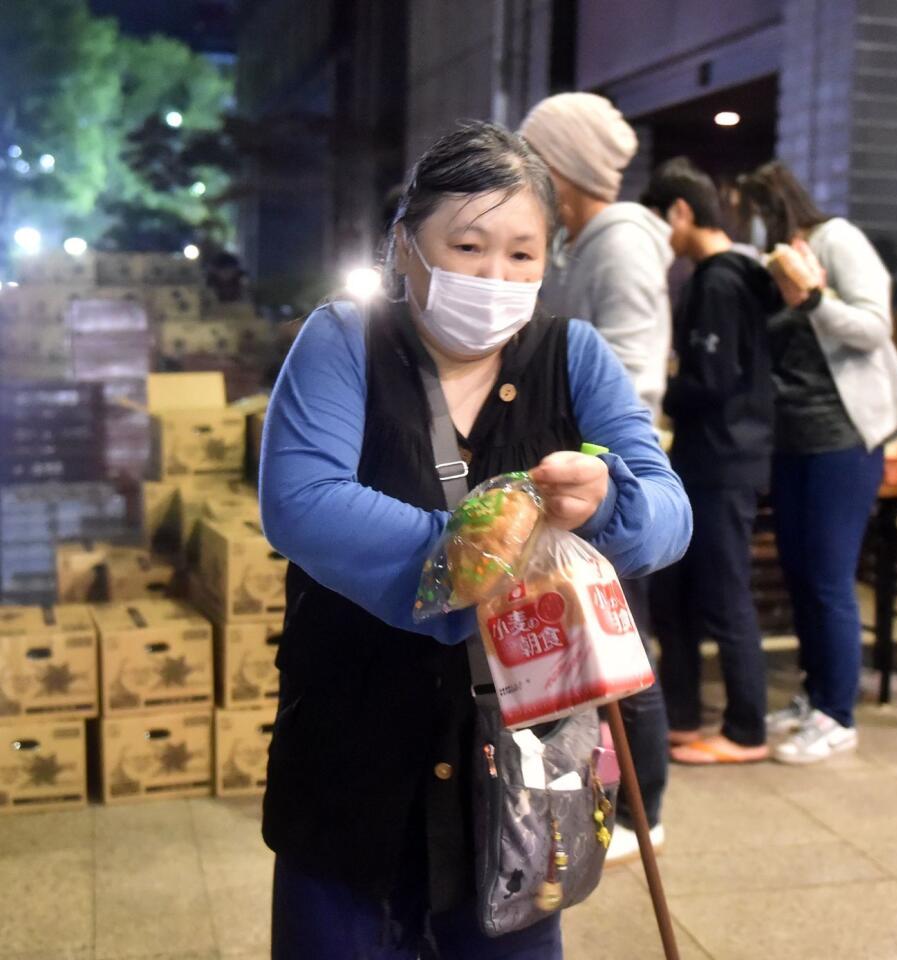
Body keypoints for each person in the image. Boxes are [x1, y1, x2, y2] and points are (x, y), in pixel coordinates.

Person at [258, 120, 691, 959]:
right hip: (353, 759)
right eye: (467, 245)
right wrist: (479, 559)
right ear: (404, 246)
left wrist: (604, 501)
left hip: (522, 785)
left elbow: (668, 514)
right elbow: (302, 503)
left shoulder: (576, 356)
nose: (496, 276)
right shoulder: (345, 340)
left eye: (522, 254)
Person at [518, 92, 675, 861]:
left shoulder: (619, 242)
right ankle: (613, 794)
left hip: (599, 484)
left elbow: (635, 373)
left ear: (560, 169)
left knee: (622, 647)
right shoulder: (585, 241)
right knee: (597, 645)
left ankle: (648, 807)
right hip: (573, 480)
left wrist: (596, 465)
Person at [736, 161, 897, 765]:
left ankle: (839, 715)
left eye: (753, 213)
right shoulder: (776, 257)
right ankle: (815, 697)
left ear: (770, 206)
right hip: (793, 438)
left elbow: (873, 326)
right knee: (801, 577)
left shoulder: (834, 239)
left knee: (829, 580)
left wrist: (813, 297)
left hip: (842, 437)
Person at [641, 157, 781, 764]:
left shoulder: (719, 279)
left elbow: (714, 379)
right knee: (676, 594)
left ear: (680, 212)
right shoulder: (730, 274)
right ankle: (684, 715)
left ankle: (747, 730)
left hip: (724, 459)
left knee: (724, 596)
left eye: (657, 224)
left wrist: (660, 391)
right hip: (713, 457)